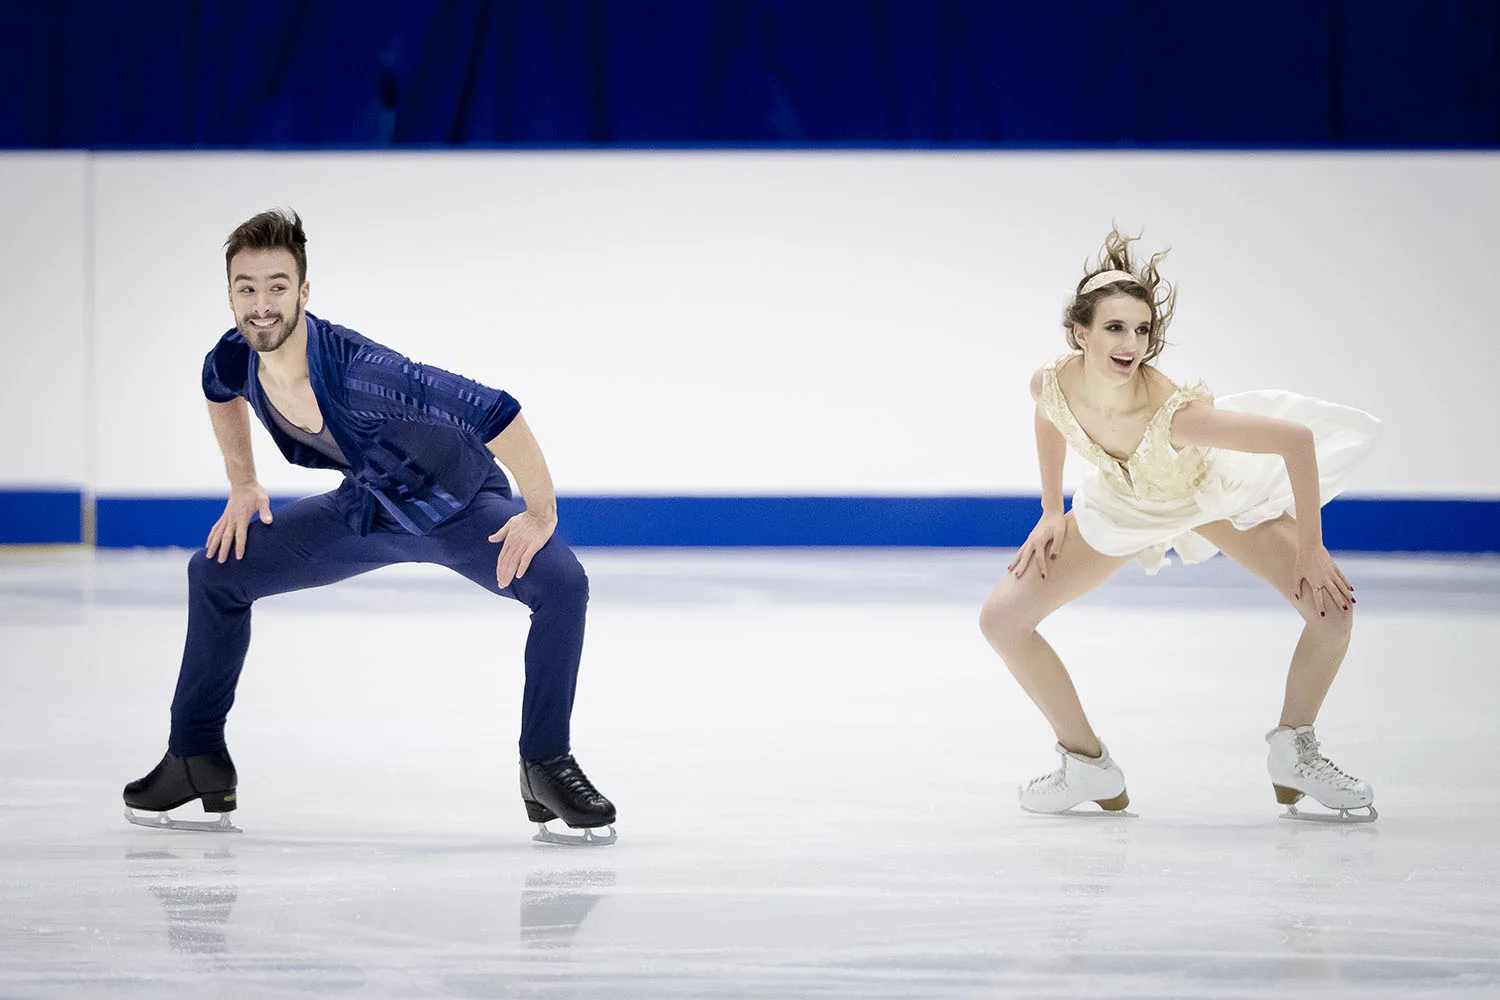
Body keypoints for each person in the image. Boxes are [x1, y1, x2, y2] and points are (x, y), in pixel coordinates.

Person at [122, 209, 616, 845]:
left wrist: (540, 511)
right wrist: (243, 482)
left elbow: (494, 408)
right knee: (217, 573)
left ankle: (544, 765)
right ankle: (195, 758)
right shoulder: (235, 357)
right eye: (246, 287)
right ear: (230, 294)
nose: (262, 304)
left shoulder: (361, 374)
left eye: (277, 286)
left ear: (304, 292)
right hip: (369, 511)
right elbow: (215, 388)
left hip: (459, 508)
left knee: (563, 584)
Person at [978, 228, 1380, 823]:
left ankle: (1294, 750)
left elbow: (1295, 441)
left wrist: (1312, 548)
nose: (1131, 344)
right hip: (1122, 503)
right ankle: (1085, 763)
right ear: (1080, 332)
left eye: (1142, 330)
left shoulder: (1176, 414)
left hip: (1202, 498)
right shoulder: (1052, 380)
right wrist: (1049, 510)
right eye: (1115, 328)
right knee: (1002, 622)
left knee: (1333, 612)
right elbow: (1050, 414)